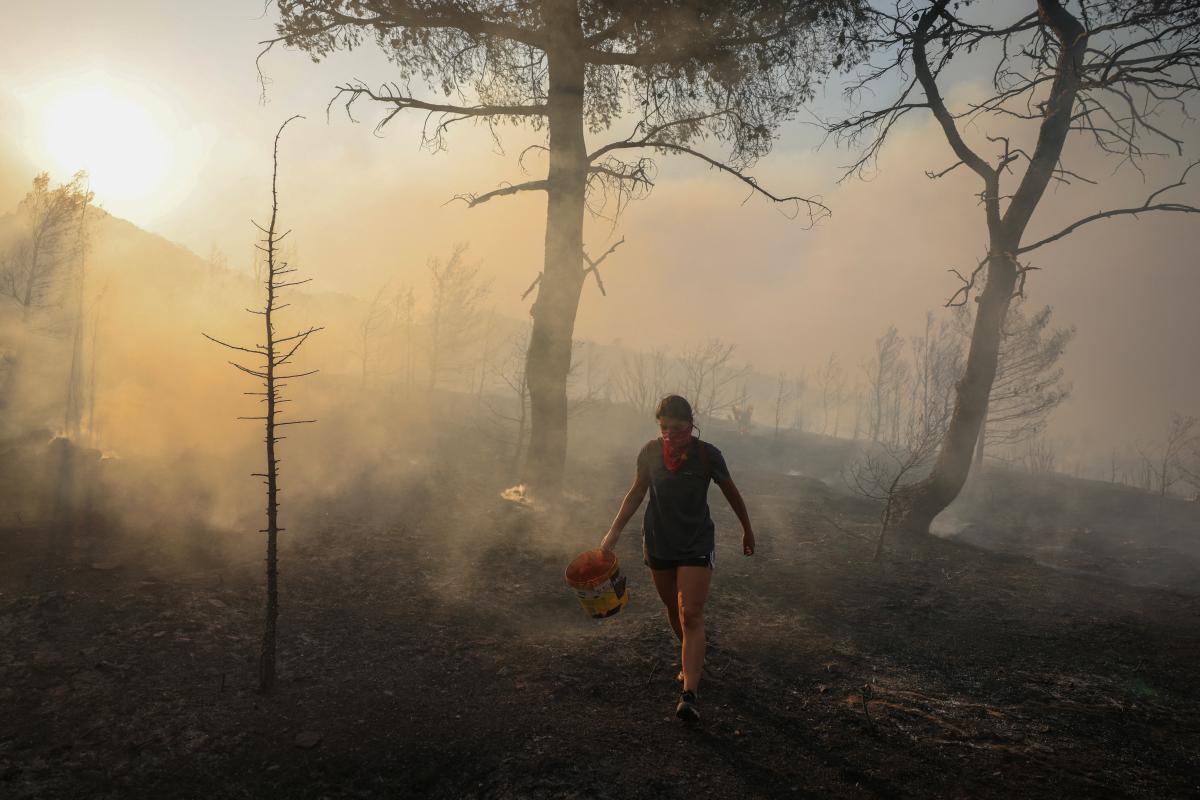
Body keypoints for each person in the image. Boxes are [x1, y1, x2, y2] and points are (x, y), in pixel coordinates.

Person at [600, 394, 755, 722]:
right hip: (659, 540)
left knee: (690, 613)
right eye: (664, 427)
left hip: (696, 540)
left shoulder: (707, 455)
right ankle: (693, 659)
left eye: (678, 427)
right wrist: (613, 533)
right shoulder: (650, 452)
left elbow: (732, 492)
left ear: (691, 423)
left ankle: (690, 692)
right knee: (674, 609)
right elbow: (637, 492)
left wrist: (747, 530)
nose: (670, 433)